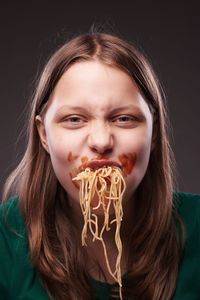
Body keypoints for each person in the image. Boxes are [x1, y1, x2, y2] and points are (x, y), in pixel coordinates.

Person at [0, 32, 200, 300]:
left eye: (124, 118)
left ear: (154, 132)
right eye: (74, 119)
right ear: (43, 134)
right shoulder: (7, 237)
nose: (101, 141)